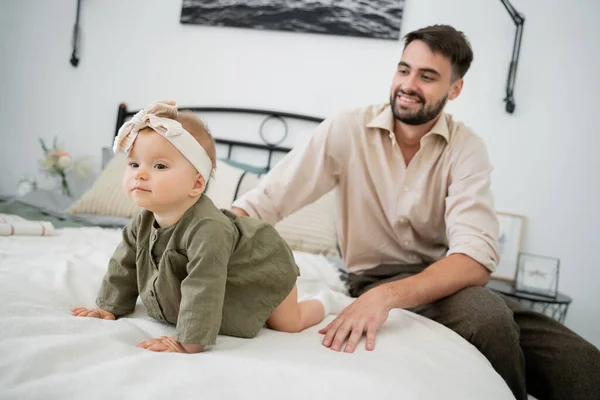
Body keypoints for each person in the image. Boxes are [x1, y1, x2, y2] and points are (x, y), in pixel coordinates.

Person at [231, 25, 600, 400]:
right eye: (403, 69)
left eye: (427, 76)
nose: (408, 84)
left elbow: (475, 258)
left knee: (585, 365)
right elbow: (264, 202)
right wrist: (204, 235)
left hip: (445, 283)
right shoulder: (348, 130)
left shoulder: (466, 148)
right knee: (487, 316)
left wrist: (387, 298)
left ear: (455, 89)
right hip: (372, 279)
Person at [71, 101, 345, 354]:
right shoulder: (141, 223)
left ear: (197, 184)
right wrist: (108, 308)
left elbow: (205, 284)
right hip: (232, 271)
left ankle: (324, 301)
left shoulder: (208, 230)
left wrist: (188, 342)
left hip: (263, 264)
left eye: (159, 165)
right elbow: (125, 266)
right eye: (133, 163)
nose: (140, 173)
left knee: (287, 322)